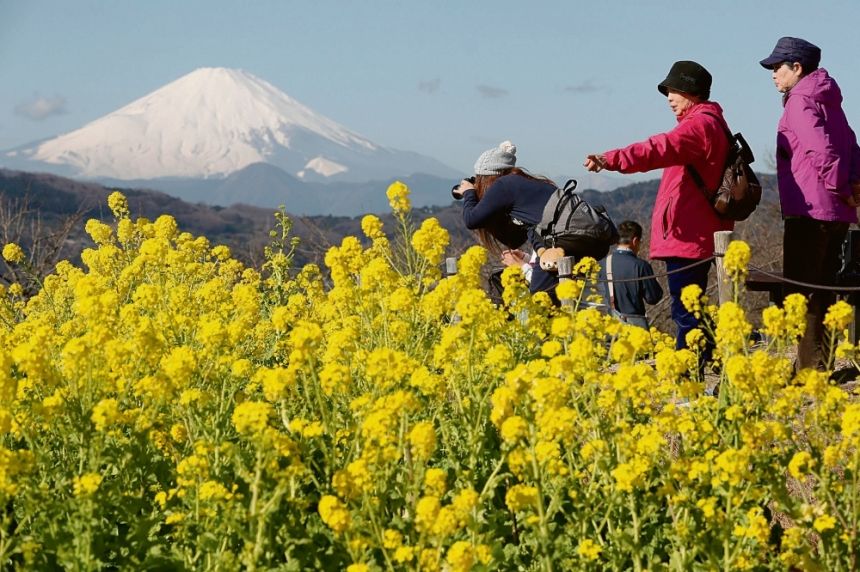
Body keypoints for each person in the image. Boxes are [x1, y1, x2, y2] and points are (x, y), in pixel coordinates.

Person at [583, 60, 733, 356]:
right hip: (699, 230)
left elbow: (658, 148)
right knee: (694, 309)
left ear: (691, 91)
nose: (669, 98)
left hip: (688, 235)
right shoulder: (712, 123)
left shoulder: (699, 126)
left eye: (673, 90)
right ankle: (709, 364)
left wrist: (611, 159)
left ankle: (690, 373)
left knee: (686, 313)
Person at [759, 37, 860, 369]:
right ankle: (820, 363)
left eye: (777, 67)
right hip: (837, 212)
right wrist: (852, 188)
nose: (773, 74)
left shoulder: (800, 100)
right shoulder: (830, 100)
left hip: (810, 209)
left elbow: (821, 151)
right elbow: (852, 146)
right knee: (825, 287)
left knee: (804, 292)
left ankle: (809, 370)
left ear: (796, 67)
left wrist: (839, 186)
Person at [453, 141, 558, 296]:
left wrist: (469, 193)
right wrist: (527, 258)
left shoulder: (504, 184)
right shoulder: (534, 192)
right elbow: (517, 241)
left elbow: (471, 220)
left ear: (489, 181)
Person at [598, 220, 663, 329]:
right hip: (635, 325)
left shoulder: (602, 264)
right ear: (635, 241)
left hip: (608, 324)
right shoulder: (641, 265)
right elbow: (653, 298)